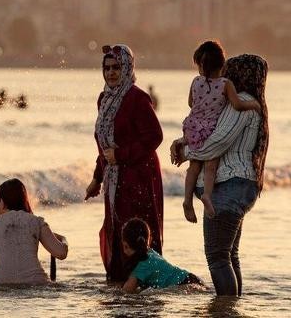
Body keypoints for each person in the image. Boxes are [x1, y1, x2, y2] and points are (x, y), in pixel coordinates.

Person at [171, 54, 269, 296]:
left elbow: (218, 140)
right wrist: (183, 140)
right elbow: (214, 131)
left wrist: (185, 152)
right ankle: (232, 306)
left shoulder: (242, 103)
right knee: (228, 255)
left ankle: (225, 310)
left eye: (230, 72)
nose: (225, 76)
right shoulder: (248, 103)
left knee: (217, 257)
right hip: (238, 185)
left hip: (229, 185)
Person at [84, 44, 164, 282]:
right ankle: (121, 283)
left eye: (117, 67)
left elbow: (154, 136)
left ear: (127, 68)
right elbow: (105, 145)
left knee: (137, 231)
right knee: (117, 228)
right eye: (106, 68)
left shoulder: (137, 98)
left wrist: (121, 156)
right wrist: (97, 178)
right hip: (114, 180)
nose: (111, 73)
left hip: (139, 177)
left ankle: (143, 283)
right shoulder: (104, 99)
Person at [180, 41, 260, 223]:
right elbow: (238, 105)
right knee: (211, 164)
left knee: (194, 166)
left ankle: (187, 200)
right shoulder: (225, 84)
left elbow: (191, 103)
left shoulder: (196, 81)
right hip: (210, 129)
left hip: (192, 127)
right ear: (222, 65)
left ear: (200, 65)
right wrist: (254, 104)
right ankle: (207, 195)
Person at [0, 178, 68, 284]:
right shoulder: (36, 222)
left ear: (2, 202)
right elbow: (61, 253)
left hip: (2, 283)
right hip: (37, 282)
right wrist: (63, 239)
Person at [121, 218, 202, 293]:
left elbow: (127, 291)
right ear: (148, 240)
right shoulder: (151, 253)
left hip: (184, 285)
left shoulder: (141, 265)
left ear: (125, 245)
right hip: (191, 279)